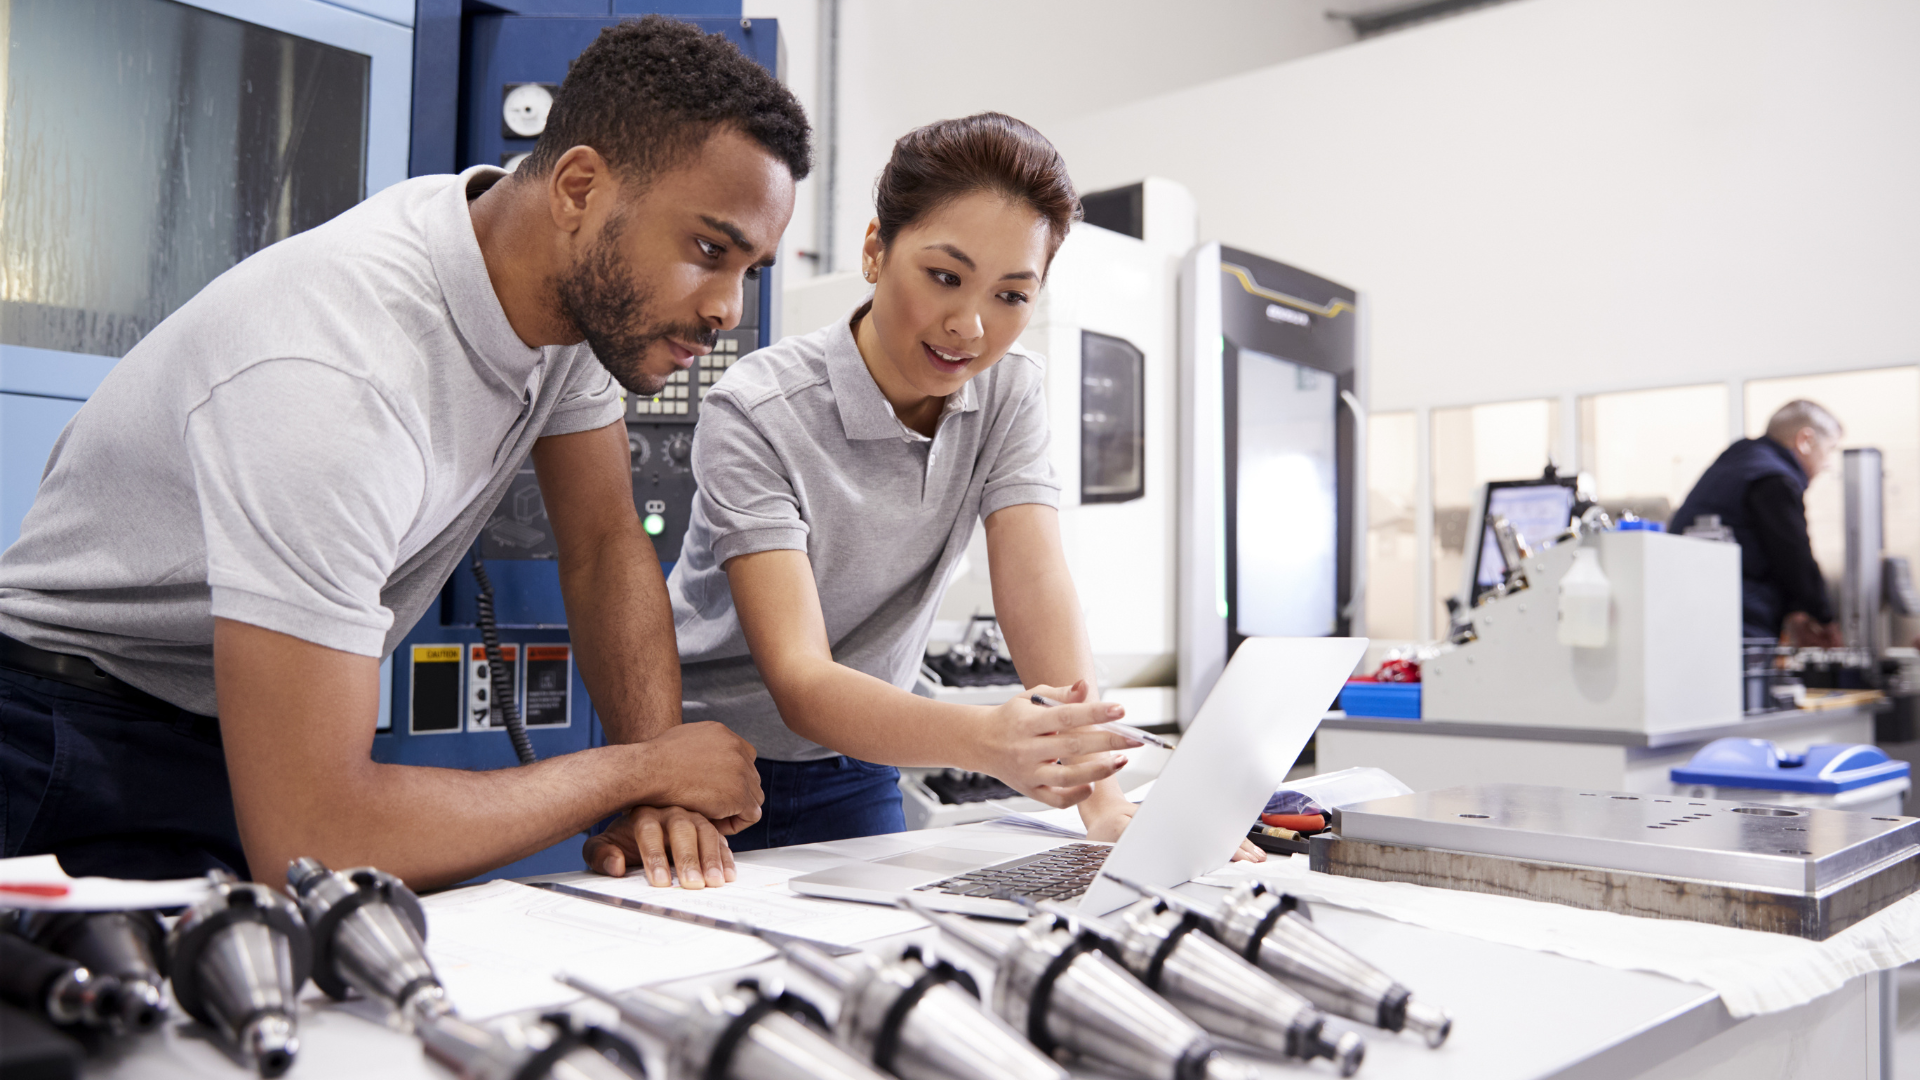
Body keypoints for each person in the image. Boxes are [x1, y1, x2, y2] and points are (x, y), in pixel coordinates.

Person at [0, 17, 804, 890]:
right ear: (579, 188)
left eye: (749, 269)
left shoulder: (560, 300)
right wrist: (638, 772)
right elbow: (317, 839)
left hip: (226, 727)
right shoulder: (336, 374)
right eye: (708, 250)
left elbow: (605, 542)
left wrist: (663, 792)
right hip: (65, 742)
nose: (727, 308)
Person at [586, 114, 1263, 881]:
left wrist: (1101, 799)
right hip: (703, 767)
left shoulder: (1010, 394)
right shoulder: (759, 409)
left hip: (861, 761)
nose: (969, 325)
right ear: (876, 250)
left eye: (1012, 295)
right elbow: (801, 679)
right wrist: (983, 740)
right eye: (945, 276)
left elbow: (1035, 584)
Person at [1670, 400, 1843, 645]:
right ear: (1805, 440)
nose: (1828, 463)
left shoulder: (1739, 461)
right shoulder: (1772, 478)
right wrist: (1824, 620)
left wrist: (1796, 609)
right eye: (1830, 449)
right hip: (1740, 616)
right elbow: (1793, 555)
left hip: (1690, 606)